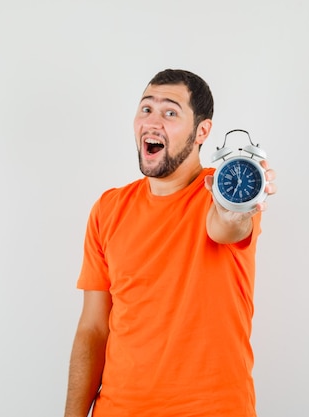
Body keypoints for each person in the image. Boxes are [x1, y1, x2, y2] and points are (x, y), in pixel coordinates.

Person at [64, 69, 277, 417]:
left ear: (202, 131)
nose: (153, 121)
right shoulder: (108, 209)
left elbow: (226, 227)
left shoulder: (223, 190)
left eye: (170, 112)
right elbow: (93, 328)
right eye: (146, 109)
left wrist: (237, 205)